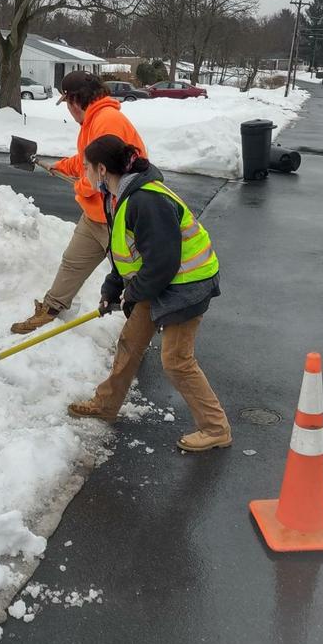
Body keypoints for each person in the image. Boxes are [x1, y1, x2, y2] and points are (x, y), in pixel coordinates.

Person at [68, 134, 231, 453]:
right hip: (159, 280)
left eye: (86, 167)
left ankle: (215, 428)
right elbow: (128, 251)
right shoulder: (119, 195)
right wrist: (113, 287)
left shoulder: (147, 200)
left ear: (102, 169)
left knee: (176, 360)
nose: (82, 173)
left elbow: (163, 262)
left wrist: (133, 294)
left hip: (187, 285)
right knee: (131, 341)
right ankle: (106, 403)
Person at [10, 71, 148, 334]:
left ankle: (140, 329)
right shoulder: (92, 120)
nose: (69, 111)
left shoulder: (107, 121)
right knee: (72, 262)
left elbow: (104, 173)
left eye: (66, 103)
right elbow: (88, 160)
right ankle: (49, 311)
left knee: (133, 277)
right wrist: (60, 166)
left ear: (74, 100)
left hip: (119, 218)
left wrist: (80, 185)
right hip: (96, 215)